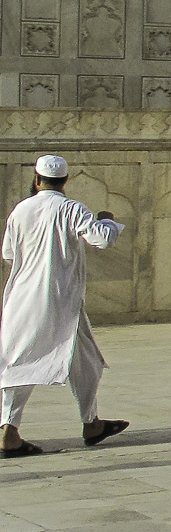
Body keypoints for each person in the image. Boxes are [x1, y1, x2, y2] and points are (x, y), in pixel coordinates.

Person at [1, 155, 128, 459]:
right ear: (66, 181)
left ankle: (91, 422)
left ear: (37, 180)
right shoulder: (71, 208)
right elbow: (101, 239)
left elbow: (8, 254)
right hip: (59, 300)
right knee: (22, 364)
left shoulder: (21, 210)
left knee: (80, 360)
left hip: (24, 298)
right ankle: (8, 432)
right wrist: (107, 220)